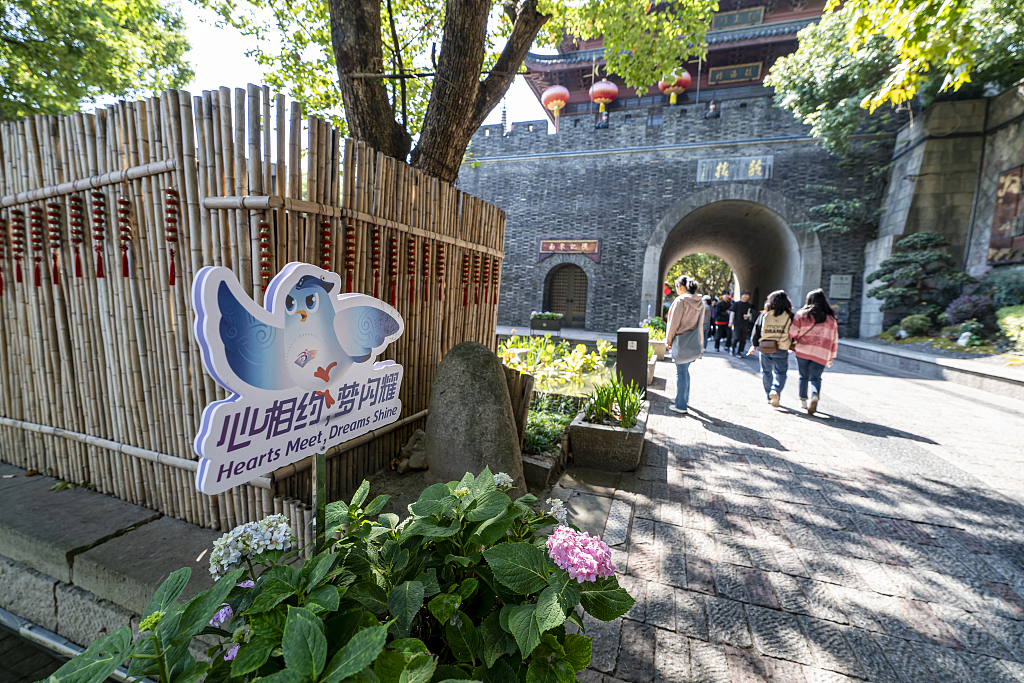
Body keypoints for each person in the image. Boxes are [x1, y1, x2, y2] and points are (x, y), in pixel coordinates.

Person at [789, 288, 839, 415]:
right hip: (822, 352)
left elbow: (793, 332)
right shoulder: (831, 319)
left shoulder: (801, 314)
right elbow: (834, 338)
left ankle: (803, 401)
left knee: (803, 376)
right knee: (816, 378)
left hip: (802, 350)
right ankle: (815, 395)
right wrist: (831, 355)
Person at [665, 276, 705, 415]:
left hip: (680, 341)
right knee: (685, 371)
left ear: (681, 287)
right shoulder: (700, 301)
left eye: (676, 287)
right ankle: (682, 399)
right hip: (693, 342)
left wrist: (668, 341)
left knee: (681, 372)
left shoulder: (680, 301)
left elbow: (673, 324)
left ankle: (681, 405)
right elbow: (700, 325)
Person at [748, 290, 793, 407]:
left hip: (765, 348)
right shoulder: (789, 316)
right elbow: (793, 332)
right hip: (782, 348)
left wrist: (754, 345)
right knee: (781, 372)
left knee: (766, 372)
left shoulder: (764, 315)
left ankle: (769, 395)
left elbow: (756, 331)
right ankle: (776, 390)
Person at [729, 290, 754, 357]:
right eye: (745, 294)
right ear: (741, 295)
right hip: (737, 323)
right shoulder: (736, 304)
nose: (746, 296)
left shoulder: (749, 305)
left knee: (743, 339)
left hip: (745, 324)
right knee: (736, 337)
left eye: (747, 295)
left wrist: (748, 317)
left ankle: (739, 351)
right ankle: (732, 348)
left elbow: (750, 313)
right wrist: (730, 322)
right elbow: (732, 313)